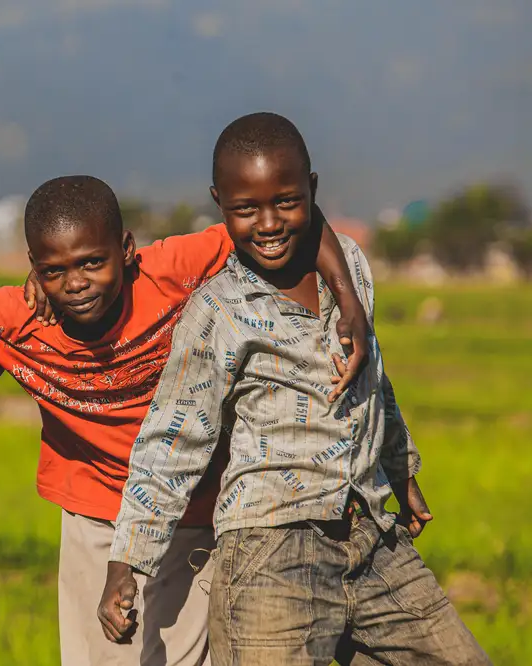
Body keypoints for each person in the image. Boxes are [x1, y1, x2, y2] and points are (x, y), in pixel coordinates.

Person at [0, 176, 369, 665]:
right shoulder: (17, 315)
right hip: (93, 516)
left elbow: (286, 222)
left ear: (126, 250)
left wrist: (348, 299)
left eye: (92, 263)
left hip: (195, 511)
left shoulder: (169, 269)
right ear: (35, 266)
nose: (75, 284)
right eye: (55, 271)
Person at [99, 112, 490, 666]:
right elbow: (173, 439)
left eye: (286, 201)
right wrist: (127, 563)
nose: (269, 223)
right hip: (270, 556)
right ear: (219, 204)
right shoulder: (218, 311)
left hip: (372, 539)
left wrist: (400, 471)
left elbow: (374, 380)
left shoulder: (348, 267)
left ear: (313, 189)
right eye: (245, 209)